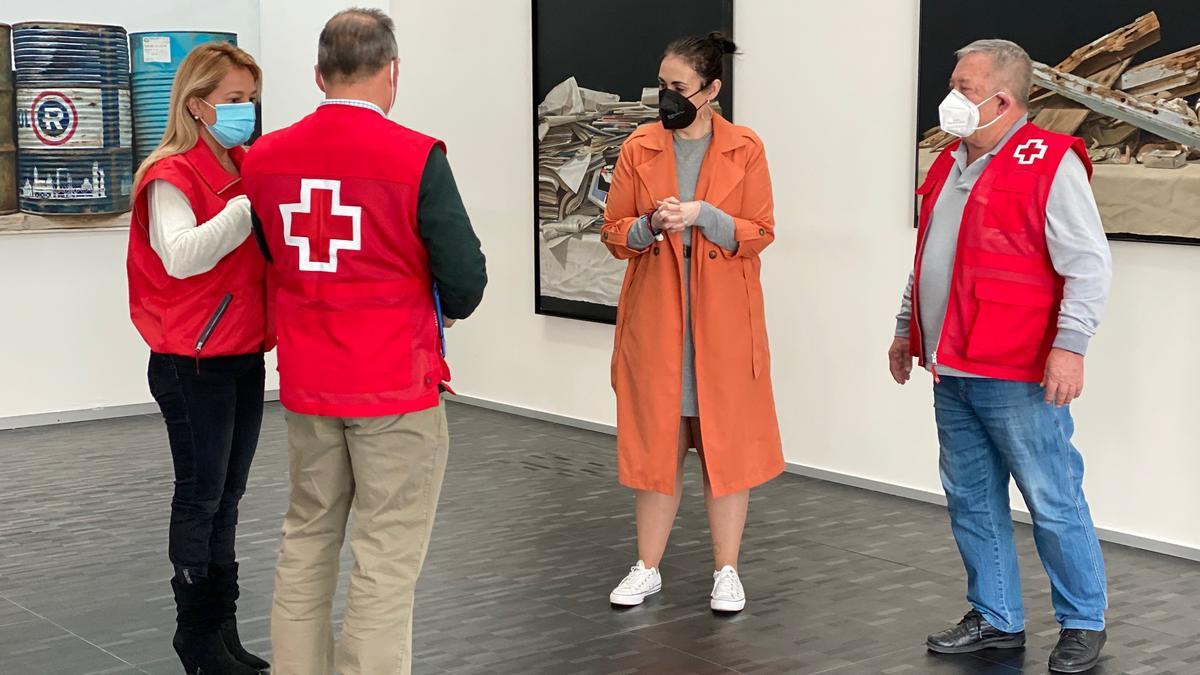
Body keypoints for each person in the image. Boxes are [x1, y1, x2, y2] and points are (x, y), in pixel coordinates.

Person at [240, 9, 487, 675]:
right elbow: (465, 276)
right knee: (384, 556)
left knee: (306, 538)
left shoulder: (262, 160)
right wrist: (447, 308)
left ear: (318, 75)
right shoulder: (416, 157)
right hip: (394, 390)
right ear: (393, 72)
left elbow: (272, 253)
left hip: (309, 385)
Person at [889, 40, 1112, 674]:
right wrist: (907, 328)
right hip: (953, 365)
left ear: (1001, 99)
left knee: (1052, 497)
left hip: (1017, 371)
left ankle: (1082, 621)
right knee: (971, 498)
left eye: (962, 85)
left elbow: (1089, 268)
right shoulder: (947, 163)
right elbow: (928, 259)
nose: (951, 95)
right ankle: (996, 616)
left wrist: (1070, 348)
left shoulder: (1049, 164)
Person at [601, 32, 784, 614]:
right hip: (657, 320)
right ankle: (646, 566)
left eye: (677, 87)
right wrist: (649, 227)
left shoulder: (745, 148)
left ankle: (727, 571)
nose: (666, 98)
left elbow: (760, 232)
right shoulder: (639, 146)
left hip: (724, 324)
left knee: (724, 451)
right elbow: (612, 232)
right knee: (657, 448)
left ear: (711, 90)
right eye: (662, 86)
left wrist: (707, 216)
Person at [126, 42, 271, 675]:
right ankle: (196, 636)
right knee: (200, 496)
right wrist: (244, 209)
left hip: (241, 352)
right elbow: (181, 255)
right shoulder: (170, 174)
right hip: (192, 361)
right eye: (234, 101)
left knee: (230, 495)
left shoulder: (244, 164)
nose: (246, 112)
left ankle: (222, 631)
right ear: (197, 103)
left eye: (251, 100)